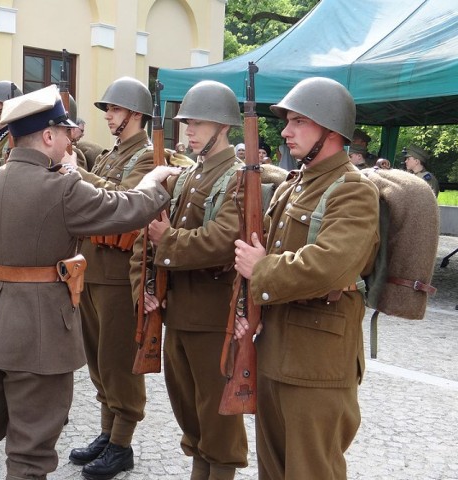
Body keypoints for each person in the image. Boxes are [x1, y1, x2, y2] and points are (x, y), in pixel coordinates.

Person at [0, 84, 178, 480]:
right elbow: (129, 209)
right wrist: (155, 180)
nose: (71, 138)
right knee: (30, 453)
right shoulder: (62, 188)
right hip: (40, 339)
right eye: (65, 131)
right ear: (48, 136)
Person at [233, 77, 380, 480]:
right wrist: (248, 312)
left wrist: (260, 271)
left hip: (318, 365)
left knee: (311, 473)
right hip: (274, 351)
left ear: (331, 130)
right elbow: (251, 250)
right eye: (288, 121)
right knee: (274, 471)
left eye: (298, 121)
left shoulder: (354, 190)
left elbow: (329, 266)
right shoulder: (293, 186)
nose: (285, 131)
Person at [130, 80, 248, 480]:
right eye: (186, 124)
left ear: (223, 126)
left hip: (213, 318)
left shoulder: (236, 177)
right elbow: (146, 239)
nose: (189, 132)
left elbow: (224, 241)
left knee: (217, 418)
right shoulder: (186, 176)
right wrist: (146, 290)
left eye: (197, 123)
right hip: (176, 313)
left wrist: (170, 240)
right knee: (190, 416)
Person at [66, 76, 157, 479]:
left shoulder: (149, 157)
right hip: (91, 268)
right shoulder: (111, 154)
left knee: (120, 362)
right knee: (99, 360)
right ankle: (108, 433)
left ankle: (122, 443)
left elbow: (126, 201)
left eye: (115, 110)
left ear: (135, 114)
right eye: (106, 110)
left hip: (121, 275)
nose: (108, 116)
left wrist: (77, 174)